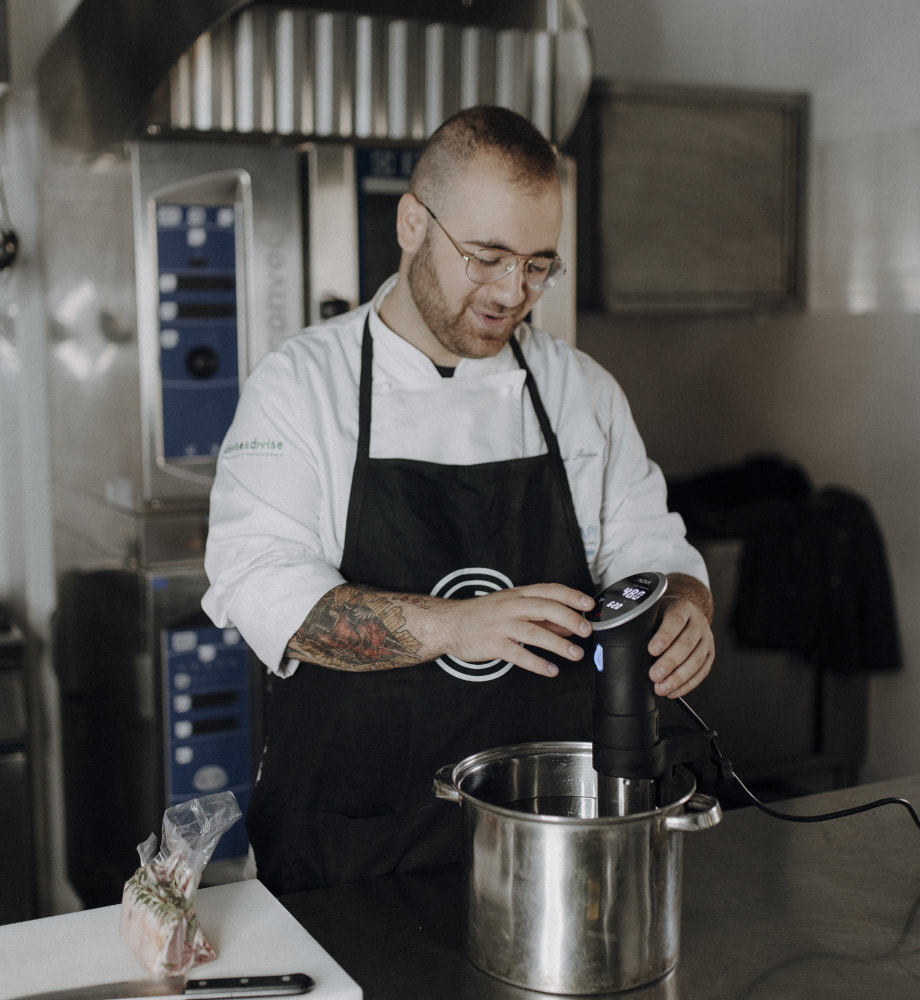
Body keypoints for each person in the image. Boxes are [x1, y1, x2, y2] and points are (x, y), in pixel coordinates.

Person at [202, 105, 714, 895]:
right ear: (413, 223)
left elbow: (650, 547)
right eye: (487, 257)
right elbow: (269, 595)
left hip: (552, 835)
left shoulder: (580, 390)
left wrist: (684, 606)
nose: (513, 293)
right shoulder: (300, 387)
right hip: (356, 844)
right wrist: (458, 624)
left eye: (539, 265)